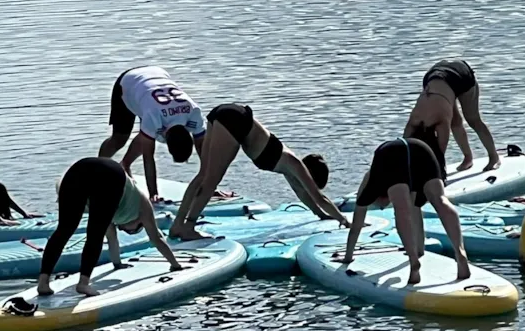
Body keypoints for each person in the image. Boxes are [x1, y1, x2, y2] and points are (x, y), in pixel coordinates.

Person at [168, 103, 348, 240]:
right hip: (235, 121)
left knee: (203, 175)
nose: (309, 186)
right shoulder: (294, 164)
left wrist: (321, 215)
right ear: (311, 175)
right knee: (211, 180)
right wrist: (344, 221)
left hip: (225, 113)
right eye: (312, 183)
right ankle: (188, 227)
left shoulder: (290, 168)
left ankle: (178, 225)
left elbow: (305, 196)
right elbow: (319, 198)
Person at [37, 157, 182, 297]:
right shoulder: (143, 207)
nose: (124, 229)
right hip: (110, 174)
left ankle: (43, 283)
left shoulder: (114, 214)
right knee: (91, 234)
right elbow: (156, 238)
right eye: (133, 230)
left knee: (65, 230)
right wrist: (175, 265)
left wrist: (117, 264)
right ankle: (82, 283)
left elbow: (112, 241)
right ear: (139, 221)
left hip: (79, 169)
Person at [339, 137, 471, 284]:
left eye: (379, 206)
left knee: (401, 209)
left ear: (377, 195)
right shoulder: (410, 190)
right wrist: (420, 250)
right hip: (421, 149)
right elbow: (415, 214)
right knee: (440, 200)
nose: (382, 208)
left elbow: (356, 226)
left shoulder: (369, 186)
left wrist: (348, 257)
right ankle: (460, 252)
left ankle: (413, 261)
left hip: (391, 155)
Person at [98, 65, 206, 201]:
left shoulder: (195, 112)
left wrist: (209, 186)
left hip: (156, 76)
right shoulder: (153, 116)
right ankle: (98, 168)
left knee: (147, 134)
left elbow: (204, 153)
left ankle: (125, 164)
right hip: (128, 84)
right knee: (120, 139)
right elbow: (148, 157)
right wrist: (153, 194)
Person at [403, 58, 501, 173]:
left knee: (473, 120)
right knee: (455, 122)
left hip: (461, 75)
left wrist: (435, 171)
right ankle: (468, 158)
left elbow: (440, 154)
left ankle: (494, 157)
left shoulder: (440, 120)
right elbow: (404, 147)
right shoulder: (413, 121)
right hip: (435, 78)